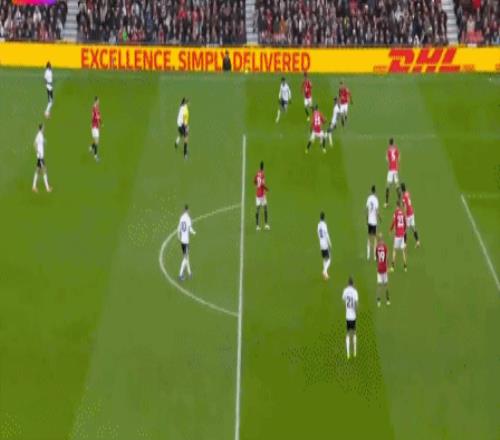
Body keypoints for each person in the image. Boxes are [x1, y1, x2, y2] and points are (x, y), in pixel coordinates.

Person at [178, 205, 196, 281]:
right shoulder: (188, 218)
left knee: (186, 256)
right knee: (185, 259)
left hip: (182, 241)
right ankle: (180, 275)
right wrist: (194, 232)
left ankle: (189, 273)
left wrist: (179, 236)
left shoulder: (181, 218)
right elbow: (190, 229)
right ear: (187, 210)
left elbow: (178, 228)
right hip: (186, 242)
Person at [32, 123, 52, 193]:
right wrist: (38, 152)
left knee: (37, 171)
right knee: (44, 171)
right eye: (43, 127)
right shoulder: (39, 135)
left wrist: (44, 141)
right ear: (41, 128)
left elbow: (40, 142)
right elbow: (34, 144)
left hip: (40, 157)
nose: (44, 129)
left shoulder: (40, 135)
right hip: (40, 157)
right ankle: (47, 188)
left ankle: (34, 186)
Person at [342, 277, 359, 359]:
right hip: (353, 316)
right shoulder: (355, 292)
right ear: (353, 283)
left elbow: (343, 299)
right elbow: (356, 303)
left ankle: (348, 353)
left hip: (347, 316)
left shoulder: (345, 290)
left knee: (348, 333)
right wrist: (356, 311)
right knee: (354, 332)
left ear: (348, 283)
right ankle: (354, 352)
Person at [401, 183, 420, 247]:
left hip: (408, 215)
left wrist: (404, 215)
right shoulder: (407, 193)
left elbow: (405, 207)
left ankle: (405, 244)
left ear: (401, 189)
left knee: (405, 229)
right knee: (413, 228)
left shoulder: (403, 196)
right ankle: (417, 241)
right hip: (412, 213)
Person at [390, 202, 407, 272]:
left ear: (397, 206)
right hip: (402, 235)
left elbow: (394, 222)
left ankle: (392, 267)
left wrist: (390, 229)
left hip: (397, 235)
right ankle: (405, 267)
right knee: (403, 251)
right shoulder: (403, 213)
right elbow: (405, 223)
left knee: (394, 250)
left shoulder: (396, 213)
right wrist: (404, 231)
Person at [254, 161, 270, 231]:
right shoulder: (263, 174)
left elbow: (254, 181)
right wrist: (267, 189)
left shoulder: (257, 173)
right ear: (263, 167)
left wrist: (257, 186)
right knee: (265, 208)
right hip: (262, 195)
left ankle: (257, 226)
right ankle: (266, 224)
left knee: (257, 209)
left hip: (257, 194)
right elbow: (262, 185)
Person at [366, 185, 380, 260]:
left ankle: (368, 255)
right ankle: (374, 256)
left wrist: (367, 219)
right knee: (375, 238)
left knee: (369, 237)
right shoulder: (376, 199)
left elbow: (366, 209)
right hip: (374, 222)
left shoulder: (369, 198)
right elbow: (377, 211)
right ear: (375, 191)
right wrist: (379, 218)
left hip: (369, 221)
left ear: (371, 191)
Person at [385, 138, 400, 208]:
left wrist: (390, 162)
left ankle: (386, 203)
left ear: (389, 143)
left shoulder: (388, 150)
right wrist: (396, 164)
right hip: (395, 169)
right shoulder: (396, 149)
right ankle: (399, 202)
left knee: (388, 186)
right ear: (393, 142)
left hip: (390, 170)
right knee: (397, 185)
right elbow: (398, 158)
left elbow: (387, 159)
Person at [375, 233, 390, 307]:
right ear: (382, 239)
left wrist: (378, 265)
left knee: (379, 285)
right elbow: (387, 258)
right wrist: (388, 267)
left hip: (379, 268)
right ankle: (387, 300)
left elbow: (377, 258)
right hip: (384, 268)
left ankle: (378, 301)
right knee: (386, 285)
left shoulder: (377, 247)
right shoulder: (385, 247)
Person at [317, 211, 332, 280]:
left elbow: (318, 233)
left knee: (324, 258)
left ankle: (325, 274)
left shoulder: (318, 225)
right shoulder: (324, 225)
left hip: (320, 243)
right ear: (324, 218)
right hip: (325, 243)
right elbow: (326, 234)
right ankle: (324, 271)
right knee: (329, 259)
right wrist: (329, 243)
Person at [90, 96, 101, 162]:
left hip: (96, 126)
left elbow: (98, 116)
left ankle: (91, 148)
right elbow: (96, 117)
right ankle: (95, 156)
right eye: (98, 100)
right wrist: (99, 122)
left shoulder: (96, 107)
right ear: (96, 101)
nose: (99, 101)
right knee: (97, 141)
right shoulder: (94, 108)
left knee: (96, 141)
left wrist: (100, 123)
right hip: (94, 127)